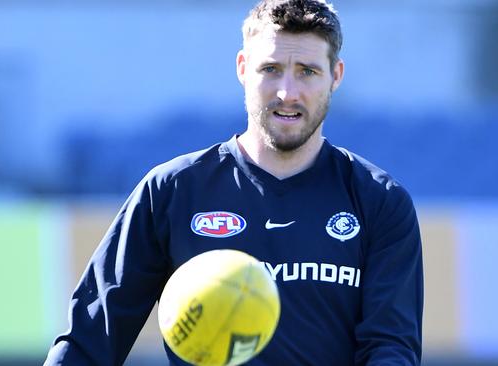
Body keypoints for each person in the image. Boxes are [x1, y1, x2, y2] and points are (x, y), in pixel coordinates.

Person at [44, 0, 423, 365]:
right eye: (270, 68)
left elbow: (391, 348)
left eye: (307, 71)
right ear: (243, 68)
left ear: (335, 76)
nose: (287, 92)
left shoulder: (379, 202)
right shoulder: (172, 191)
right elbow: (90, 341)